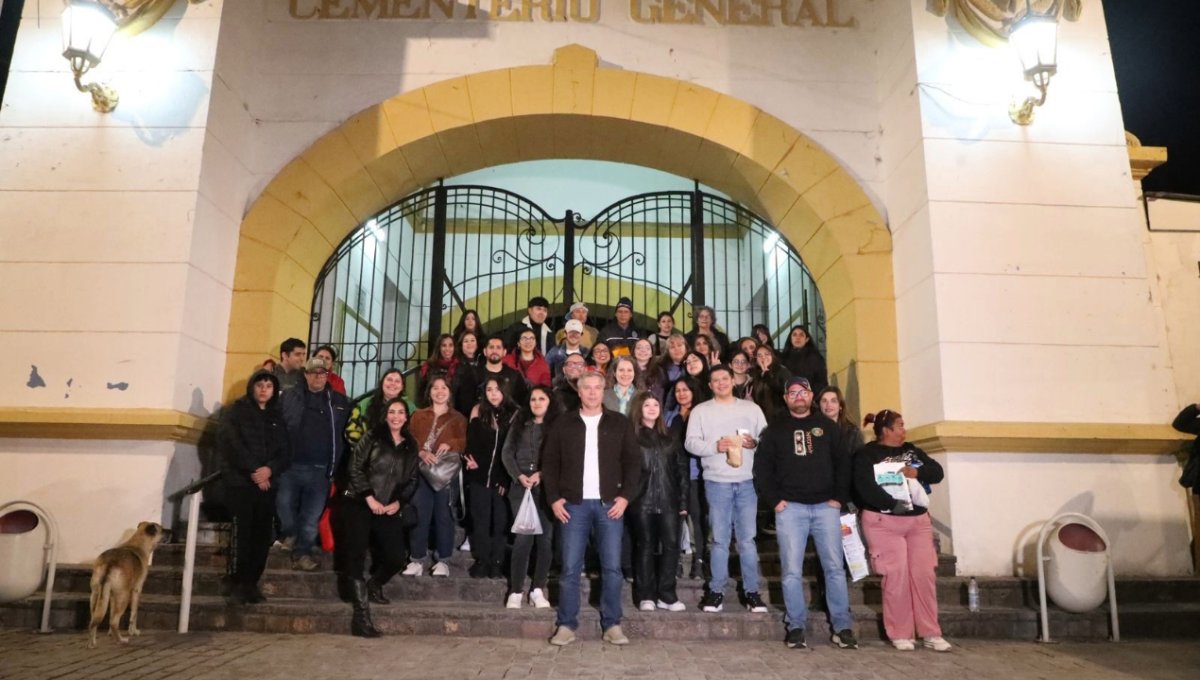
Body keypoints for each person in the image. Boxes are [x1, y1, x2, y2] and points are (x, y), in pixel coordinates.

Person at [755, 377, 856, 650]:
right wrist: (775, 501)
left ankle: (842, 626)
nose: (798, 396)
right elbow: (762, 469)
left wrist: (838, 497)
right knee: (790, 571)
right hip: (791, 509)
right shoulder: (775, 429)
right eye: (793, 393)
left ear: (811, 396)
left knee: (834, 568)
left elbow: (843, 464)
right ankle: (796, 626)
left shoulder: (828, 427)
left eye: (803, 392)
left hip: (826, 507)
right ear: (786, 398)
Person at [543, 371, 641, 646]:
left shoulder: (619, 423)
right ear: (579, 391)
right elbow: (549, 463)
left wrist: (625, 498)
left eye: (598, 387)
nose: (593, 392)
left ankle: (612, 624)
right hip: (573, 506)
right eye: (587, 387)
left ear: (603, 390)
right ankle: (566, 625)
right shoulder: (563, 424)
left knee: (612, 568)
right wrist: (553, 498)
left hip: (610, 504)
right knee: (570, 568)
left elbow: (634, 463)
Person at [853, 409, 950, 652]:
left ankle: (930, 631)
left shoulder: (912, 450)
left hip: (917, 522)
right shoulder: (867, 454)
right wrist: (890, 504)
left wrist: (916, 471)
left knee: (924, 575)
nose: (904, 430)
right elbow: (863, 486)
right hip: (884, 522)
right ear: (886, 430)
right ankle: (900, 632)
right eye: (900, 425)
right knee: (895, 577)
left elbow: (936, 472)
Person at [684, 364, 768, 613]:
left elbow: (767, 439)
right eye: (715, 380)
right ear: (709, 386)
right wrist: (714, 447)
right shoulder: (701, 411)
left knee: (747, 540)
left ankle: (752, 592)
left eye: (724, 378)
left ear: (733, 381)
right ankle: (716, 591)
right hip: (716, 481)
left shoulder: (751, 409)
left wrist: (755, 443)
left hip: (746, 481)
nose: (721, 383)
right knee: (719, 540)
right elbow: (690, 443)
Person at [337, 398, 420, 638]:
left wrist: (398, 502)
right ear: (385, 415)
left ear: (406, 417)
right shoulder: (372, 436)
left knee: (396, 556)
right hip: (359, 502)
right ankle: (361, 618)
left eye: (401, 412)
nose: (396, 416)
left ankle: (374, 585)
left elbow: (412, 479)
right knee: (356, 556)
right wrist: (369, 497)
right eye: (391, 412)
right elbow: (354, 468)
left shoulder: (410, 445)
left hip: (387, 507)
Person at [218, 369, 290, 604]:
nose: (263, 390)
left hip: (267, 484)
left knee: (261, 536)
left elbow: (284, 451)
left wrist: (269, 470)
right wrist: (255, 472)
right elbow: (232, 444)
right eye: (260, 385)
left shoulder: (276, 417)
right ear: (252, 387)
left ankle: (252, 582)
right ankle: (238, 581)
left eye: (269, 386)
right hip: (242, 484)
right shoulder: (236, 412)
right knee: (244, 535)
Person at [277, 358, 351, 571]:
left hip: (321, 470)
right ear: (306, 374)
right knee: (284, 506)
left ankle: (302, 553)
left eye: (322, 373)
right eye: (314, 372)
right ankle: (290, 533)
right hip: (290, 466)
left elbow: (345, 434)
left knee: (311, 517)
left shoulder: (338, 401)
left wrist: (338, 467)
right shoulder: (290, 397)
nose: (318, 376)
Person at [628, 391, 689, 613]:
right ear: (639, 409)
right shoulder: (631, 436)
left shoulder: (670, 436)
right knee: (645, 546)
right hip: (641, 501)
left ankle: (667, 594)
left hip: (669, 500)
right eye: (647, 405)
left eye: (656, 405)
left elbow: (681, 470)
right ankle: (646, 595)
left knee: (671, 546)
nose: (652, 408)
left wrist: (683, 502)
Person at [403, 375, 468, 577]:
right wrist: (421, 451)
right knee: (420, 514)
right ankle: (417, 559)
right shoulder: (418, 415)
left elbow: (465, 441)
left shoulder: (458, 418)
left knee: (444, 515)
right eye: (435, 388)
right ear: (429, 392)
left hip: (445, 473)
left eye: (443, 388)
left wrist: (452, 444)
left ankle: (443, 560)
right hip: (421, 470)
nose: (439, 391)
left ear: (449, 392)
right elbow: (408, 438)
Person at [501, 385, 558, 609]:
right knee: (524, 538)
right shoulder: (519, 424)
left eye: (541, 399)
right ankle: (515, 590)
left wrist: (542, 474)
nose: (536, 403)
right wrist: (518, 476)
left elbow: (560, 456)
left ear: (549, 402)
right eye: (533, 399)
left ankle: (537, 589)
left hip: (546, 489)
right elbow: (507, 453)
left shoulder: (556, 427)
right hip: (521, 489)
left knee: (545, 540)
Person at [464, 377, 518, 579]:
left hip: (502, 478)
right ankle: (482, 560)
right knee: (480, 520)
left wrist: (503, 478)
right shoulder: (478, 410)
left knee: (500, 522)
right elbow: (471, 442)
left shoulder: (514, 414)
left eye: (497, 389)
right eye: (489, 389)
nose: (493, 393)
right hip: (479, 476)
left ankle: (497, 561)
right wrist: (469, 461)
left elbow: (511, 449)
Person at [667, 376, 707, 580]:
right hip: (673, 475)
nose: (681, 394)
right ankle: (674, 563)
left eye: (685, 390)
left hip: (696, 474)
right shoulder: (669, 415)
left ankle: (699, 563)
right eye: (677, 390)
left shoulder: (702, 413)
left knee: (697, 519)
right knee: (675, 520)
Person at [455, 334, 527, 419]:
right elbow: (464, 404)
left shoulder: (514, 376)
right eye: (491, 347)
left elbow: (522, 403)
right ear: (485, 351)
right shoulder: (472, 374)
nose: (494, 351)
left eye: (498, 347)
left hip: (508, 425)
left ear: (504, 352)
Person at [345, 368, 414, 446]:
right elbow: (350, 431)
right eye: (389, 380)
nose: (392, 383)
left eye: (397, 381)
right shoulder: (365, 404)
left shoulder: (411, 408)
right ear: (382, 383)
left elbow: (415, 435)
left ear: (402, 387)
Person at [818, 386, 864, 461]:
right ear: (819, 405)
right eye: (824, 401)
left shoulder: (853, 432)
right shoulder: (814, 430)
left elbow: (860, 461)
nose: (828, 404)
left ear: (840, 406)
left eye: (833, 401)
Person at [780, 324, 828, 394]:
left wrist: (808, 395)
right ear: (790, 339)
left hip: (810, 398)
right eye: (794, 335)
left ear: (807, 339)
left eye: (801, 335)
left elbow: (821, 382)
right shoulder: (783, 359)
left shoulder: (816, 358)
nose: (798, 338)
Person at [750, 345, 792, 420]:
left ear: (772, 356)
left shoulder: (782, 371)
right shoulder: (756, 374)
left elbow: (786, 393)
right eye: (759, 355)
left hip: (781, 417)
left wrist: (767, 375)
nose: (763, 357)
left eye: (767, 354)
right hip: (762, 417)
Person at [418, 333, 460, 403]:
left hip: (454, 408)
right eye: (444, 345)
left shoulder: (460, 366)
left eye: (450, 345)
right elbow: (422, 392)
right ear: (439, 348)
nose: (447, 349)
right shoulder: (429, 367)